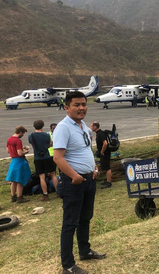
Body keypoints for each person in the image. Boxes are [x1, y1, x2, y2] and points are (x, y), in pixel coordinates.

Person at [53, 91, 106, 274]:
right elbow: (58, 158)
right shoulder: (63, 127)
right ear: (67, 107)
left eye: (84, 104)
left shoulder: (84, 126)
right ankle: (68, 265)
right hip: (73, 182)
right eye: (76, 105)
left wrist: (95, 168)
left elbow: (86, 151)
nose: (81, 108)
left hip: (89, 179)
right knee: (70, 223)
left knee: (85, 218)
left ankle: (85, 251)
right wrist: (74, 176)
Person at [29, 120, 58, 201]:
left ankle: (45, 194)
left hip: (38, 158)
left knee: (42, 176)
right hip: (47, 156)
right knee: (53, 174)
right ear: (42, 126)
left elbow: (33, 146)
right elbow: (48, 145)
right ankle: (58, 191)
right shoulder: (46, 135)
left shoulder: (31, 136)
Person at [6, 126, 31, 203]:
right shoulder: (18, 141)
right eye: (23, 133)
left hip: (13, 161)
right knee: (20, 180)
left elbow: (8, 150)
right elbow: (20, 153)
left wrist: (20, 148)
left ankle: (13, 196)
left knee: (13, 180)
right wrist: (26, 151)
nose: (23, 135)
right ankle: (20, 197)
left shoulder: (9, 139)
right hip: (19, 161)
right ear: (20, 132)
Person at [91, 121, 112, 189]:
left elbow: (105, 143)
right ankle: (107, 180)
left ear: (95, 127)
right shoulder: (98, 133)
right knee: (105, 167)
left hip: (105, 153)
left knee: (107, 167)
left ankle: (109, 182)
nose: (91, 127)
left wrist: (102, 151)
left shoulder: (101, 133)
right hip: (103, 152)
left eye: (92, 126)